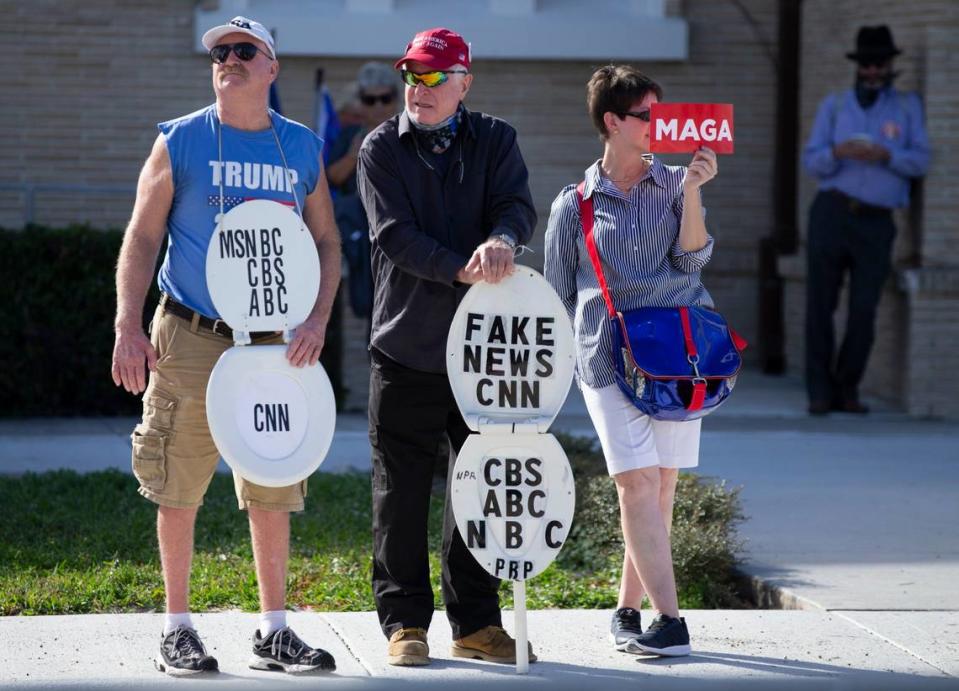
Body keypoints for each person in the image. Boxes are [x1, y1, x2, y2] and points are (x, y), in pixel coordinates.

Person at [110, 16, 341, 676]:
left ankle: (273, 631)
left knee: (272, 475)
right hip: (190, 332)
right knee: (177, 478)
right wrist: (129, 325)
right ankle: (176, 628)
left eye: (245, 51)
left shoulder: (299, 147)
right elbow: (142, 237)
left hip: (273, 342)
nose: (229, 60)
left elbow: (326, 240)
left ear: (271, 68)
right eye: (221, 52)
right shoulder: (180, 140)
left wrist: (317, 317)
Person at [356, 27, 537, 667]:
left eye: (434, 77)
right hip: (405, 346)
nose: (419, 88)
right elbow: (394, 237)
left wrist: (505, 239)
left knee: (480, 487)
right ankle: (404, 623)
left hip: (487, 352)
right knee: (399, 492)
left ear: (464, 81)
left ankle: (477, 624)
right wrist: (463, 266)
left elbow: (517, 206)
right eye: (412, 75)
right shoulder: (379, 148)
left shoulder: (496, 140)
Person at [545, 65, 718, 657]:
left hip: (676, 355)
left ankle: (628, 609)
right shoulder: (574, 204)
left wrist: (693, 191)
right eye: (647, 115)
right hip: (605, 356)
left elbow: (692, 262)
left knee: (659, 488)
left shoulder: (674, 184)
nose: (658, 125)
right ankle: (672, 623)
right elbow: (558, 293)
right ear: (613, 122)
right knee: (636, 483)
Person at [802, 25, 930, 415]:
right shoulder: (836, 106)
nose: (873, 71)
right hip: (832, 211)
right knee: (820, 305)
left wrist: (887, 155)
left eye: (880, 64)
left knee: (864, 309)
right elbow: (813, 161)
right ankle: (819, 393)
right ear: (858, 67)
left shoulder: (907, 108)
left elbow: (921, 160)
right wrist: (839, 151)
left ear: (890, 66)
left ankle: (848, 389)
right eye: (867, 65)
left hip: (876, 222)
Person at [327, 62, 400, 334]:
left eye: (385, 98)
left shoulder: (410, 133)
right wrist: (353, 155)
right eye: (371, 99)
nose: (378, 106)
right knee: (372, 316)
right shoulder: (350, 136)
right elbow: (330, 177)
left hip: (404, 237)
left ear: (396, 98)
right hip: (363, 241)